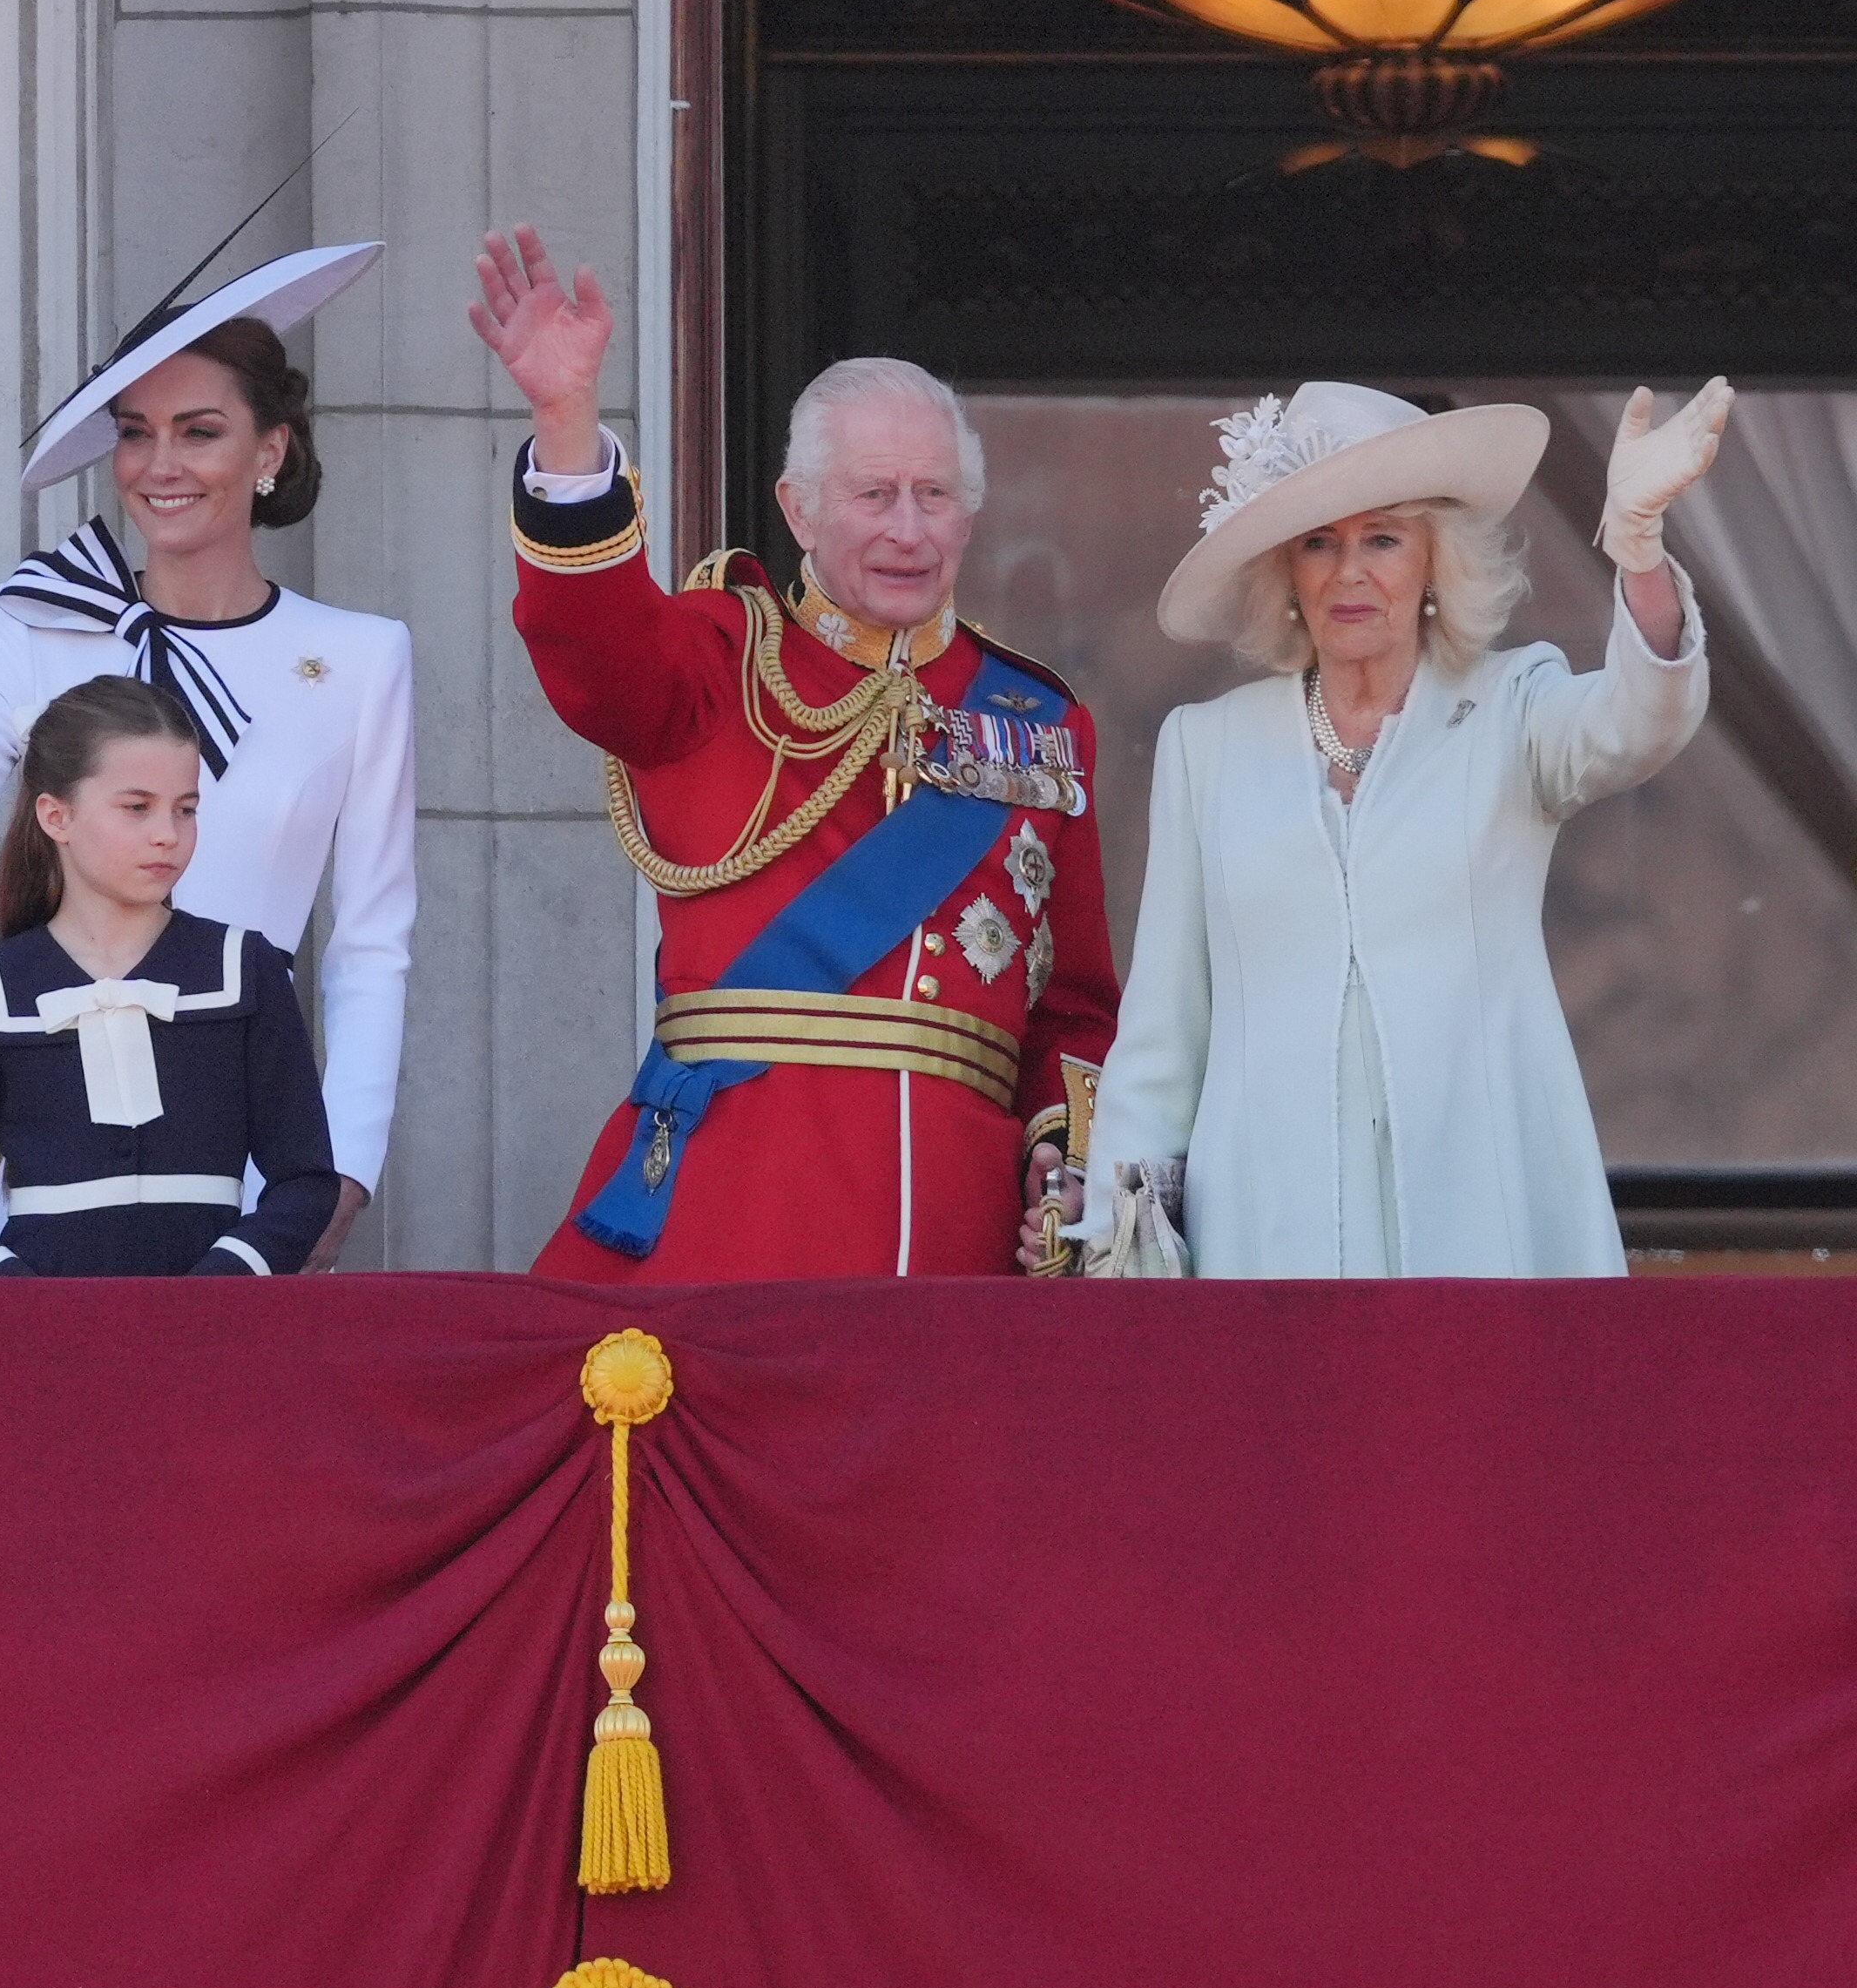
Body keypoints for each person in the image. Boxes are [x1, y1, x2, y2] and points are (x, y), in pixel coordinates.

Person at [473, 225, 1121, 1281]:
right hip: (740, 1211)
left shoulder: (1041, 722)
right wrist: (566, 424)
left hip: (961, 1237)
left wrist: (1063, 1161)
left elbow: (1075, 1006)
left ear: (971, 514)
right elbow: (596, 647)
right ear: (799, 508)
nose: (908, 530)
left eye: (935, 495)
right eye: (873, 495)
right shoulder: (720, 658)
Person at [0, 240, 409, 1271]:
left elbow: (372, 943)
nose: (160, 466)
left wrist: (341, 1176)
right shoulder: (42, 624)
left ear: (269, 452)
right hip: (58, 1171)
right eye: (136, 434)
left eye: (199, 432)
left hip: (257, 1172)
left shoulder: (361, 657)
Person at [1056, 377, 1731, 1278]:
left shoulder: (1510, 708)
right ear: (1286, 572)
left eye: (1383, 538)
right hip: (1265, 1231)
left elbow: (1639, 719)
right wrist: (1117, 1240)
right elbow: (1164, 1031)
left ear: (1433, 562)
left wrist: (1640, 549)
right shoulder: (1207, 746)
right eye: (1319, 544)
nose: (1350, 571)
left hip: (1481, 1220)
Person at [0, 679, 341, 1277]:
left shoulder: (244, 968)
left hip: (214, 1337)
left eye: (186, 809)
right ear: (56, 816)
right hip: (47, 1340)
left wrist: (224, 1283)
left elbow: (305, 1179)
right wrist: (14, 1293)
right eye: (137, 807)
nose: (167, 834)